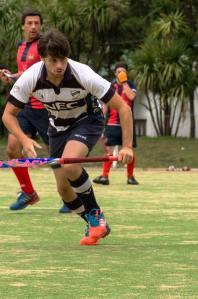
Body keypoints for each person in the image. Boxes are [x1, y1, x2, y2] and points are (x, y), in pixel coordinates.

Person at [2, 29, 134, 245]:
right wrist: (24, 139)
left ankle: (95, 214)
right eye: (53, 60)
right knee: (64, 190)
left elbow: (123, 108)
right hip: (57, 128)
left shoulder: (83, 74)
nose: (59, 66)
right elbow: (8, 115)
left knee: (71, 165)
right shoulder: (31, 78)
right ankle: (93, 223)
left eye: (62, 59)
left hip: (88, 122)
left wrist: (127, 146)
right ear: (43, 58)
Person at [0, 9, 70, 213]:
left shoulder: (45, 48)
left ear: (41, 25)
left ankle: (69, 196)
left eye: (37, 23)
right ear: (22, 26)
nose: (33, 27)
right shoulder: (21, 47)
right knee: (13, 148)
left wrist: (14, 77)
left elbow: (38, 72)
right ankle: (29, 192)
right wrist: (11, 76)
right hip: (25, 108)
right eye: (29, 23)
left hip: (46, 108)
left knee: (57, 154)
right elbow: (25, 76)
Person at [93, 62, 139, 185]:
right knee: (108, 150)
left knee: (129, 151)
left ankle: (130, 177)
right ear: (115, 73)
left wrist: (124, 83)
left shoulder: (130, 85)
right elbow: (105, 106)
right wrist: (100, 123)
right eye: (119, 72)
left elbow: (131, 97)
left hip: (127, 125)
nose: (121, 74)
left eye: (123, 72)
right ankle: (104, 176)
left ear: (127, 73)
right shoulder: (111, 87)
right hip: (112, 124)